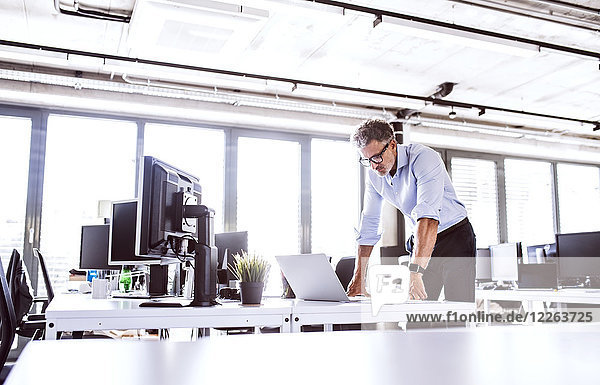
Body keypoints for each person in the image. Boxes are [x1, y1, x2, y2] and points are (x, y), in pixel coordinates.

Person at [347, 119, 476, 302]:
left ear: (392, 144)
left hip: (455, 237)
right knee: (415, 314)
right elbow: (369, 224)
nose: (374, 166)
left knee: (457, 309)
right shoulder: (374, 175)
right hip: (421, 240)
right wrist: (359, 278)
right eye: (367, 160)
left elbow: (428, 217)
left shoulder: (423, 157)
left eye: (376, 157)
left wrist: (415, 272)